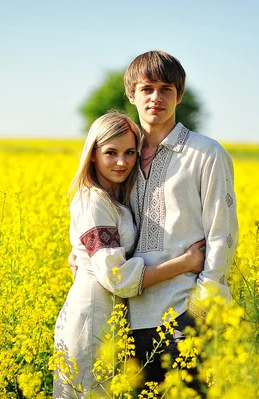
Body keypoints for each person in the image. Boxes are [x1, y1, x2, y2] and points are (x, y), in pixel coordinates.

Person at [53, 111, 206, 398]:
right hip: (92, 318)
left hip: (111, 317)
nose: (122, 162)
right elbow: (118, 278)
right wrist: (185, 262)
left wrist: (77, 254)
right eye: (111, 152)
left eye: (130, 152)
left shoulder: (114, 198)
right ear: (93, 155)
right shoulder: (94, 201)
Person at [122, 50, 239, 391]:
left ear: (180, 96)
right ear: (132, 94)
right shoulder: (119, 156)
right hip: (126, 322)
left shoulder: (206, 153)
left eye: (166, 89)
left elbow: (223, 233)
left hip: (183, 316)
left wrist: (199, 309)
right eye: (146, 89)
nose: (156, 97)